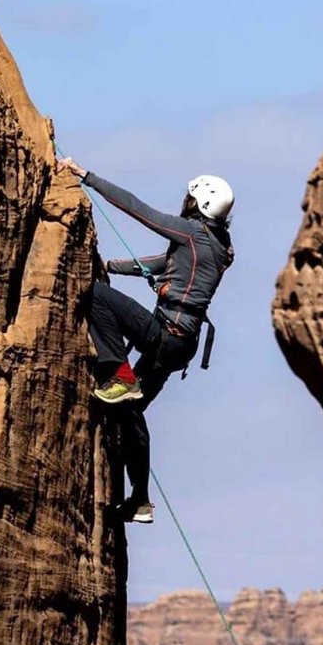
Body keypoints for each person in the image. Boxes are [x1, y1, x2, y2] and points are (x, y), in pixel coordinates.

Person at [56, 156, 234, 524]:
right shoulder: (218, 245)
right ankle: (139, 500)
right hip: (182, 345)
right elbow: (164, 264)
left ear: (198, 204)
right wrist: (113, 266)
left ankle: (120, 377)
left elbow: (138, 209)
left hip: (165, 336)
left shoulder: (192, 232)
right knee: (129, 413)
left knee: (98, 298)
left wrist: (86, 176)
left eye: (189, 198)